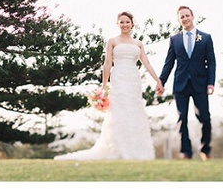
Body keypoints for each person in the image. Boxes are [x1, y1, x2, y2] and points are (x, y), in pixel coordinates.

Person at [55, 11, 164, 160]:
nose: (124, 24)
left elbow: (147, 63)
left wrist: (157, 80)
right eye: (121, 22)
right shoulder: (112, 41)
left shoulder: (138, 43)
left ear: (132, 24)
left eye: (127, 22)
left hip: (133, 80)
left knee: (134, 111)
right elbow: (107, 63)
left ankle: (138, 150)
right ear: (117, 23)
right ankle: (119, 148)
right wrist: (104, 86)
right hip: (118, 78)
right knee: (119, 111)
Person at [159, 5, 216, 160]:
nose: (185, 19)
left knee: (205, 118)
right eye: (182, 17)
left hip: (201, 84)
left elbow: (211, 62)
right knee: (181, 118)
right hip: (180, 85)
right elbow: (169, 63)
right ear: (179, 20)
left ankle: (205, 149)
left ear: (192, 16)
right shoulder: (174, 39)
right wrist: (161, 82)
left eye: (187, 15)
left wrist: (211, 83)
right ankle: (186, 152)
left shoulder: (206, 38)